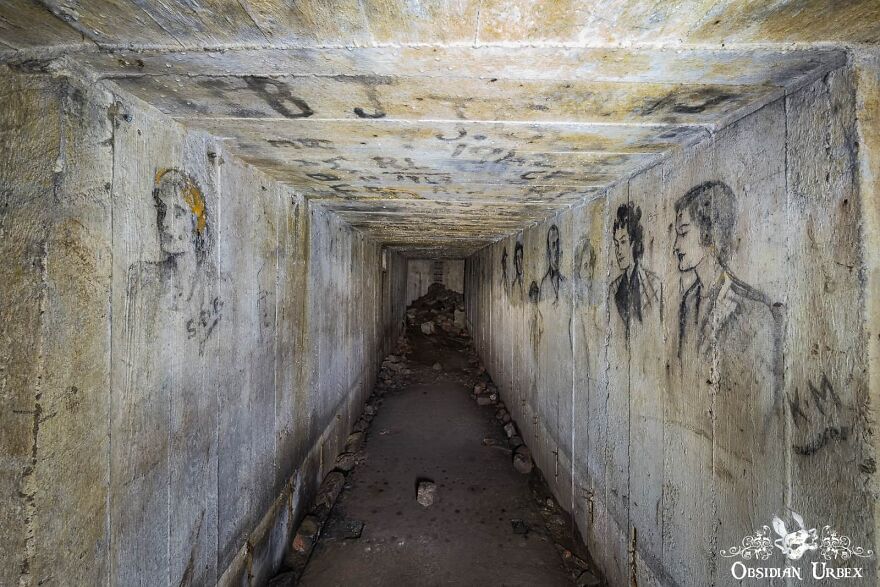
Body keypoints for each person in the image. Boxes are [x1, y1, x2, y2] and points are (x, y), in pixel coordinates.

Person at [610, 203, 661, 336]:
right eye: (616, 244)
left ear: (634, 243)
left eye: (623, 242)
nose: (618, 251)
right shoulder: (614, 288)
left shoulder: (654, 284)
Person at [539, 225, 565, 303]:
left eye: (558, 243)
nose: (556, 249)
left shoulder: (565, 282)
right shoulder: (544, 284)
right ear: (548, 250)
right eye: (553, 244)